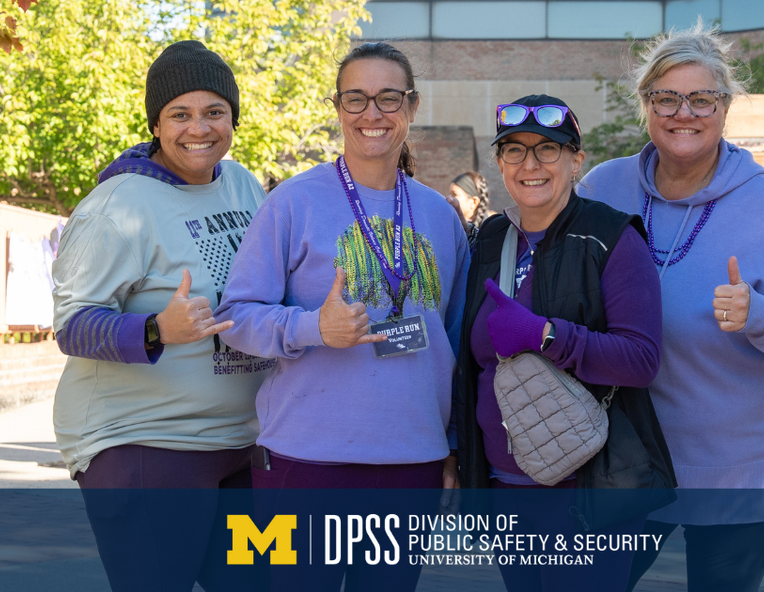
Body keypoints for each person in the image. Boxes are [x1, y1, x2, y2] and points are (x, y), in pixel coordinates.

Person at [576, 23, 764, 592]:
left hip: (744, 464)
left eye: (703, 98)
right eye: (666, 98)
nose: (684, 113)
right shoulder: (605, 188)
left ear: (725, 107)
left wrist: (760, 314)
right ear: (645, 105)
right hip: (634, 457)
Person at [213, 41, 469, 592]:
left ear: (413, 106)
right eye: (356, 98)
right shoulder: (291, 203)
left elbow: (453, 341)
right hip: (305, 462)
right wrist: (313, 329)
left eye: (388, 98)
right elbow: (234, 320)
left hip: (412, 463)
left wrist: (451, 445)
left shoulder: (440, 217)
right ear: (337, 107)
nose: (372, 113)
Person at [51, 40, 272, 591]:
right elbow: (71, 324)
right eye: (180, 114)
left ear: (233, 119)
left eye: (214, 112)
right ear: (156, 122)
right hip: (146, 447)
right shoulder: (118, 205)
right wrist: (155, 329)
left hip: (239, 444)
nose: (199, 128)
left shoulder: (242, 182)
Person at [455, 94, 676, 591]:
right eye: (514, 150)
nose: (530, 164)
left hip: (587, 494)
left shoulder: (610, 238)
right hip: (505, 490)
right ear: (499, 163)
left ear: (577, 160)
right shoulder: (490, 239)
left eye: (548, 149)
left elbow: (641, 360)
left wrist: (546, 335)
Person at [444, 170, 492, 242]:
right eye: (449, 193)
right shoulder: (450, 227)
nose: (448, 199)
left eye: (454, 194)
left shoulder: (490, 234)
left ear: (473, 202)